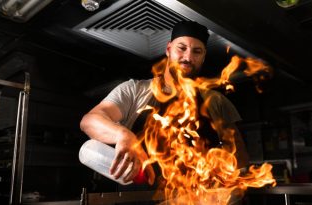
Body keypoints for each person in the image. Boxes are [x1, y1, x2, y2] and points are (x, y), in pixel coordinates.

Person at [79, 21, 250, 189]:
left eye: (197, 51)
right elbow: (89, 121)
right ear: (168, 49)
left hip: (196, 198)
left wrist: (229, 185)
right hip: (138, 196)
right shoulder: (134, 90)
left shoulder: (216, 101)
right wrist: (124, 135)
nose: (188, 57)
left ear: (203, 57)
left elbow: (239, 156)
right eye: (181, 48)